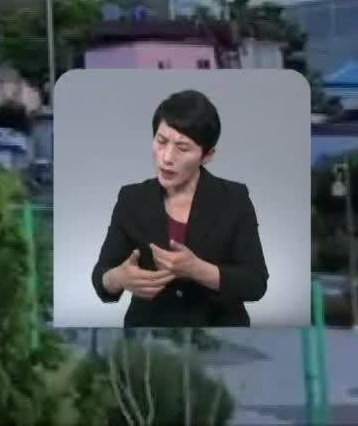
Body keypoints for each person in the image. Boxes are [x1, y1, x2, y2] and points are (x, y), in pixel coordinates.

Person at [90, 88, 268, 327]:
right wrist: (119, 278)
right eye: (161, 142)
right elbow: (102, 274)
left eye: (183, 148)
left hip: (217, 331)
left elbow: (256, 283)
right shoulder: (131, 198)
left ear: (207, 155)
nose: (167, 157)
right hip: (148, 336)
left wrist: (197, 269)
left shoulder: (234, 199)